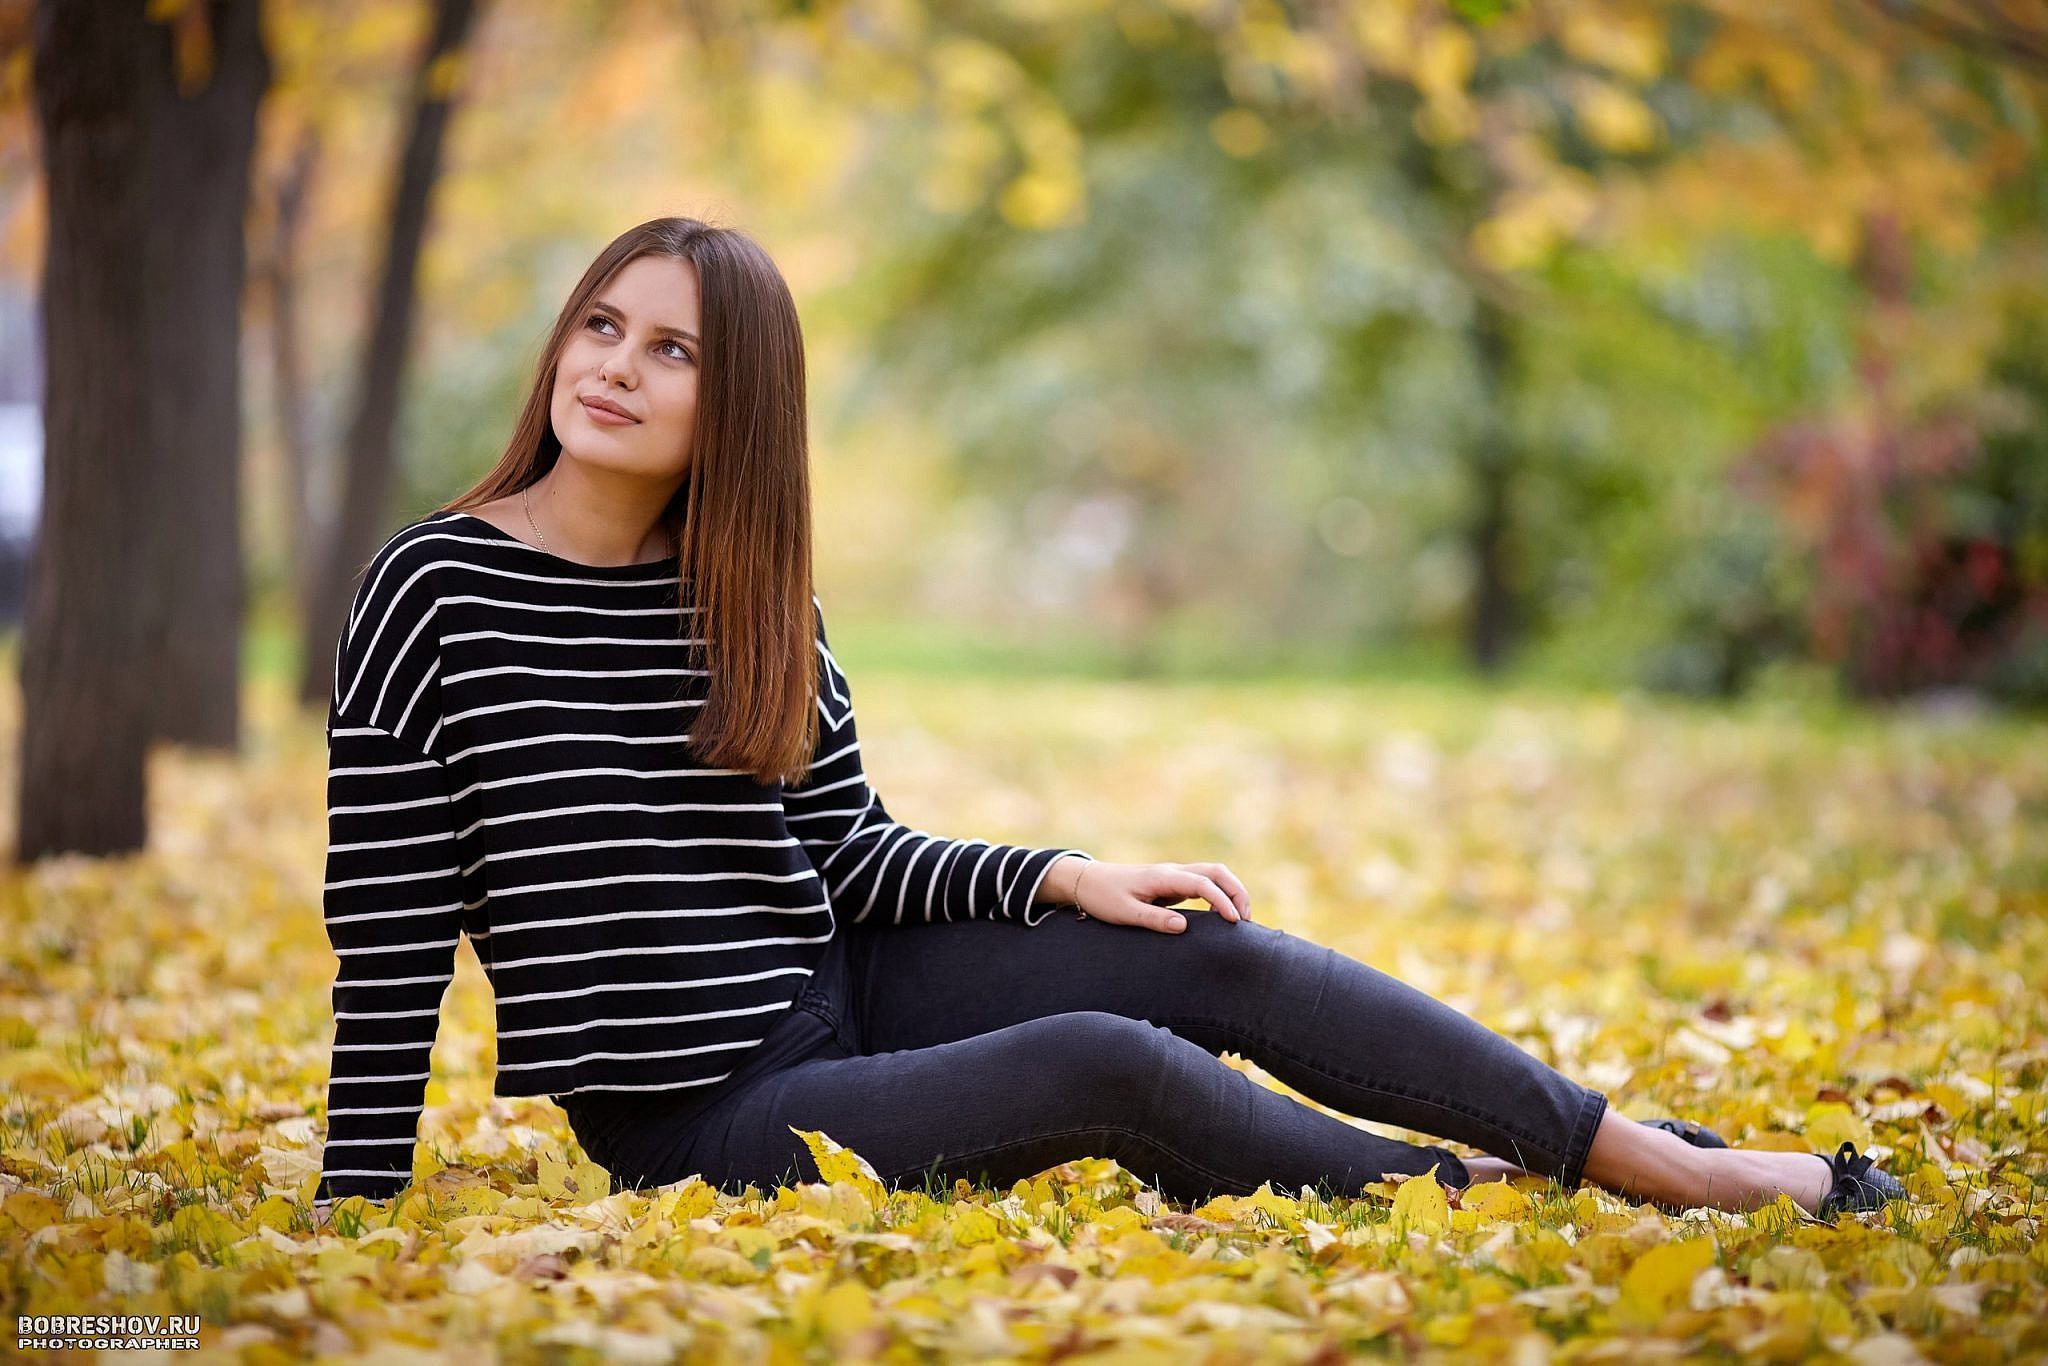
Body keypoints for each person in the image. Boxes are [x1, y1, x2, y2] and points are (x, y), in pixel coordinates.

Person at [310, 216, 1902, 1229]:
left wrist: (1065, 877)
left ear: (739, 408)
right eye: (605, 325)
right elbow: (387, 939)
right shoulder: (432, 589)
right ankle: (1487, 1189)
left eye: (676, 350)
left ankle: (1638, 1150)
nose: (620, 366)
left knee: (1200, 949)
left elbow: (848, 851)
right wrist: (354, 1208)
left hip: (844, 985)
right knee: (1111, 1064)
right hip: (701, 1114)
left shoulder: (745, 598)